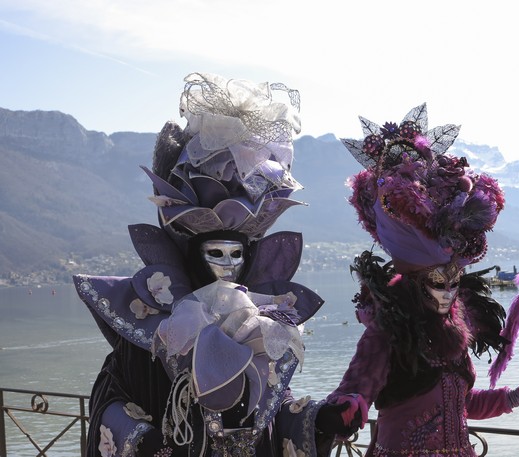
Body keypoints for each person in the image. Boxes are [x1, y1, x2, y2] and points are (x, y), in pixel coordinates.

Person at [74, 73, 352, 457]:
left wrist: (318, 419)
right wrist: (141, 438)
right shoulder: (151, 325)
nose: (228, 265)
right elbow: (111, 398)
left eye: (236, 254)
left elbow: (273, 409)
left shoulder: (265, 321)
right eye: (215, 253)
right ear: (192, 253)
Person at [324, 104, 519, 456]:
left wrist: (516, 396)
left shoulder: (454, 332)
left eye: (453, 283)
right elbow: (359, 385)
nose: (448, 293)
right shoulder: (388, 332)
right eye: (437, 283)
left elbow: (464, 403)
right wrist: (346, 408)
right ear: (414, 282)